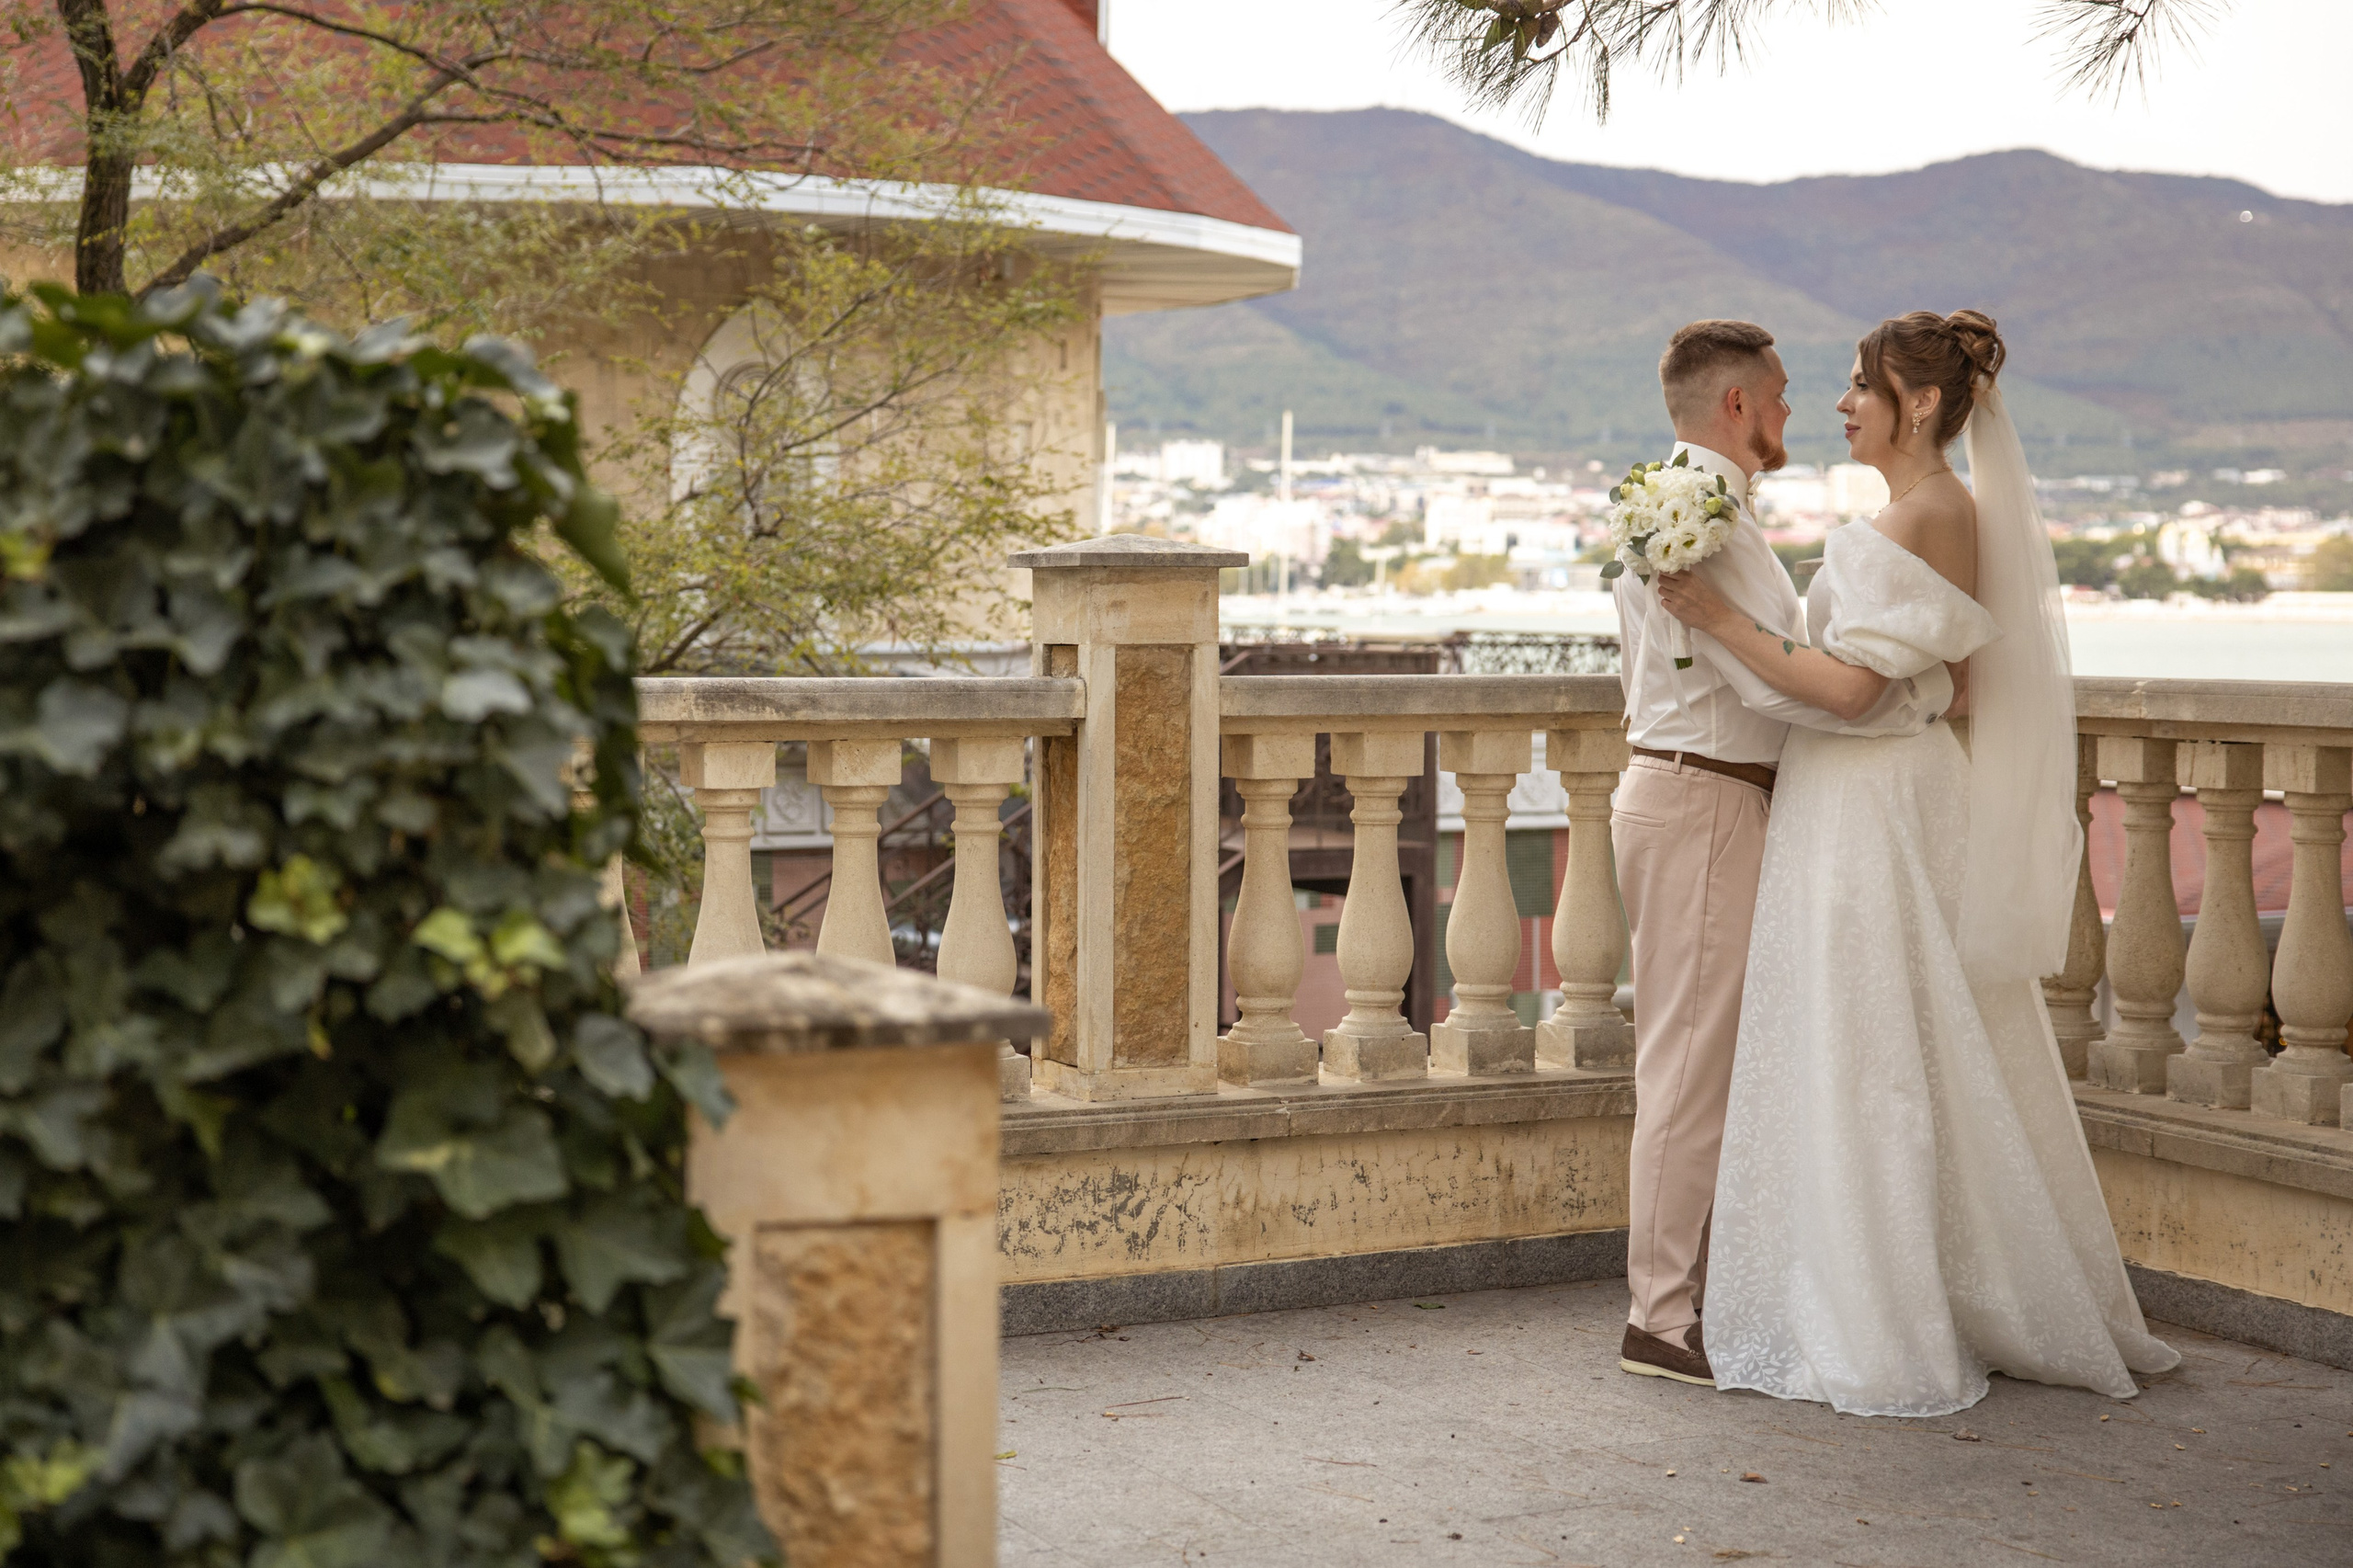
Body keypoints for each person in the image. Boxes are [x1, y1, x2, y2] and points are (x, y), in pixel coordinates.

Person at [1654, 310, 2178, 1415]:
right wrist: (1896, 695)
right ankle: (1946, 1285)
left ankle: (1876, 1309)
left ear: (1922, 405)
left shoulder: (1903, 520)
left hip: (1861, 805)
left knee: (1865, 1041)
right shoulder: (1949, 512)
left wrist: (1712, 615)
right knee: (1922, 1038)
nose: (1842, 404)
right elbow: (1969, 682)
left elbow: (1843, 690)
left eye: (1859, 385)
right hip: (1900, 789)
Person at [1609, 321, 1956, 1386]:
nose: (1793, 415)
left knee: (1704, 1056)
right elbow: (1768, 681)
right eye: (1781, 397)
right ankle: (1661, 1319)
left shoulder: (1678, 503)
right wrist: (1886, 704)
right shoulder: (1704, 524)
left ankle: (1690, 1294)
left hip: (1688, 792)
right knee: (1687, 1066)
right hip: (1707, 800)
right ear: (1734, 408)